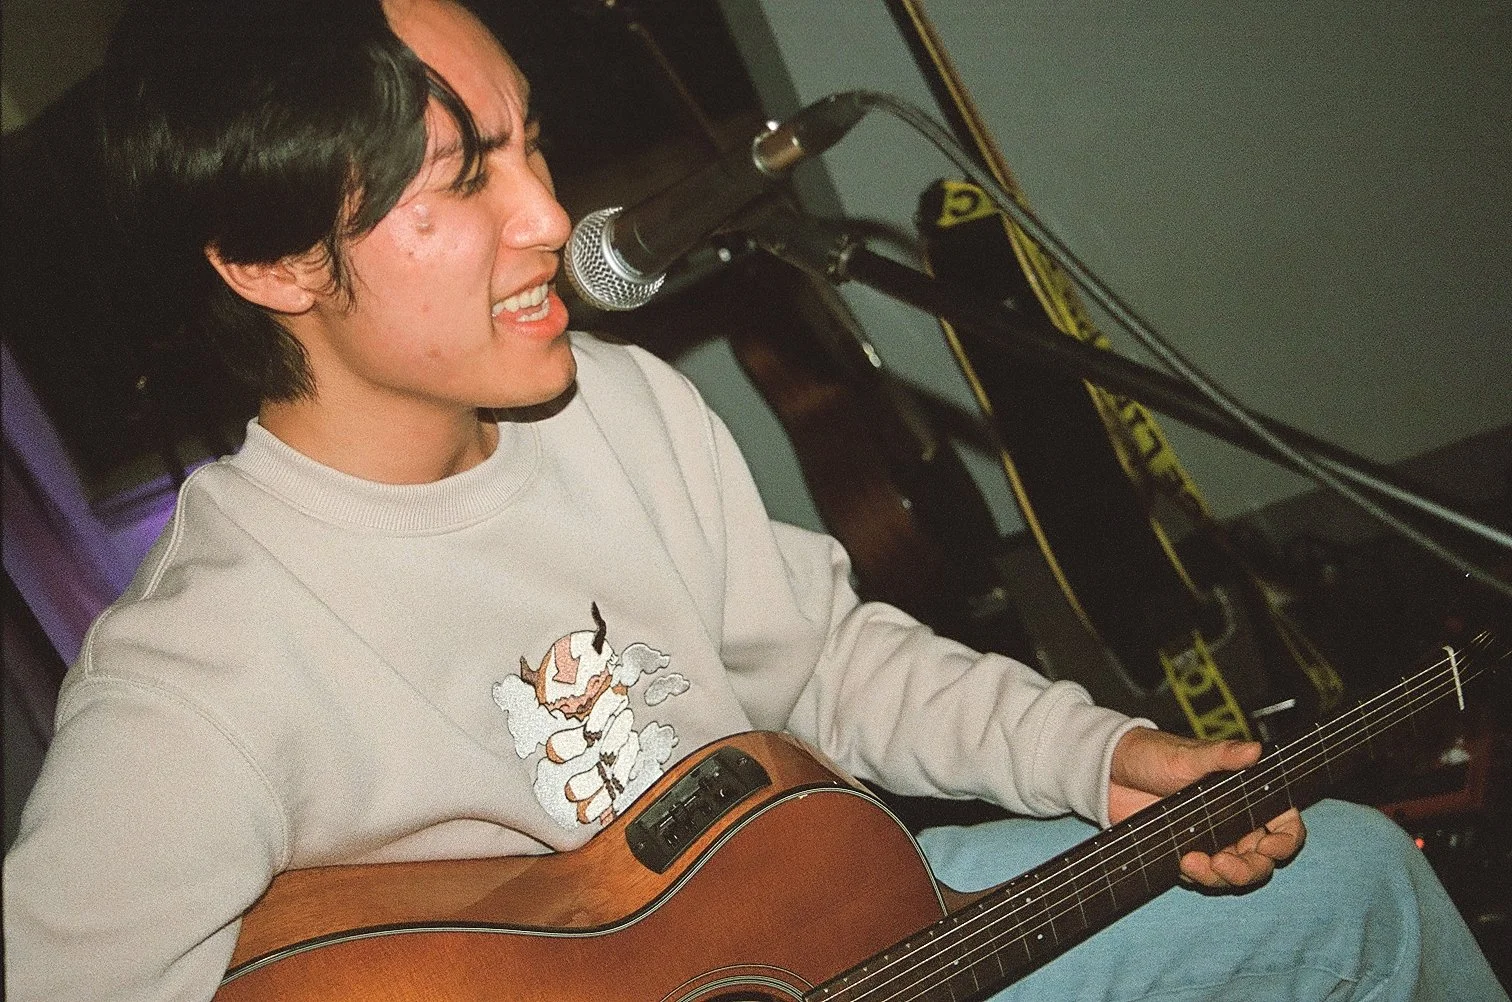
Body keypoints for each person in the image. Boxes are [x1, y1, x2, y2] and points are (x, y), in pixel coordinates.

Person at [3, 1, 1504, 999]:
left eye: (530, 141)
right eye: (459, 181)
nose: (550, 218)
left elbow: (826, 661)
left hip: (843, 924)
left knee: (1351, 882)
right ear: (269, 264)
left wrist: (1099, 754)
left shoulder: (624, 404)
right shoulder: (196, 679)